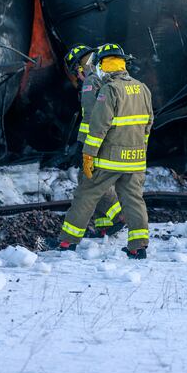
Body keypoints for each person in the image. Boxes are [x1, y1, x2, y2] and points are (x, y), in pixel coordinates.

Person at [56, 43, 153, 259]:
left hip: (109, 157)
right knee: (134, 199)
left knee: (86, 194)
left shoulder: (109, 90)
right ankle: (138, 247)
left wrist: (88, 153)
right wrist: (141, 150)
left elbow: (97, 126)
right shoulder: (142, 88)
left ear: (103, 65)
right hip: (136, 158)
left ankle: (66, 241)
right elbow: (148, 125)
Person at [63, 44, 125, 237]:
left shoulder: (91, 80)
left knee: (91, 181)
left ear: (79, 66)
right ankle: (104, 225)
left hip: (99, 140)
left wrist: (83, 145)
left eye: (75, 71)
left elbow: (91, 118)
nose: (77, 77)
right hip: (114, 136)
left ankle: (120, 215)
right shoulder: (106, 75)